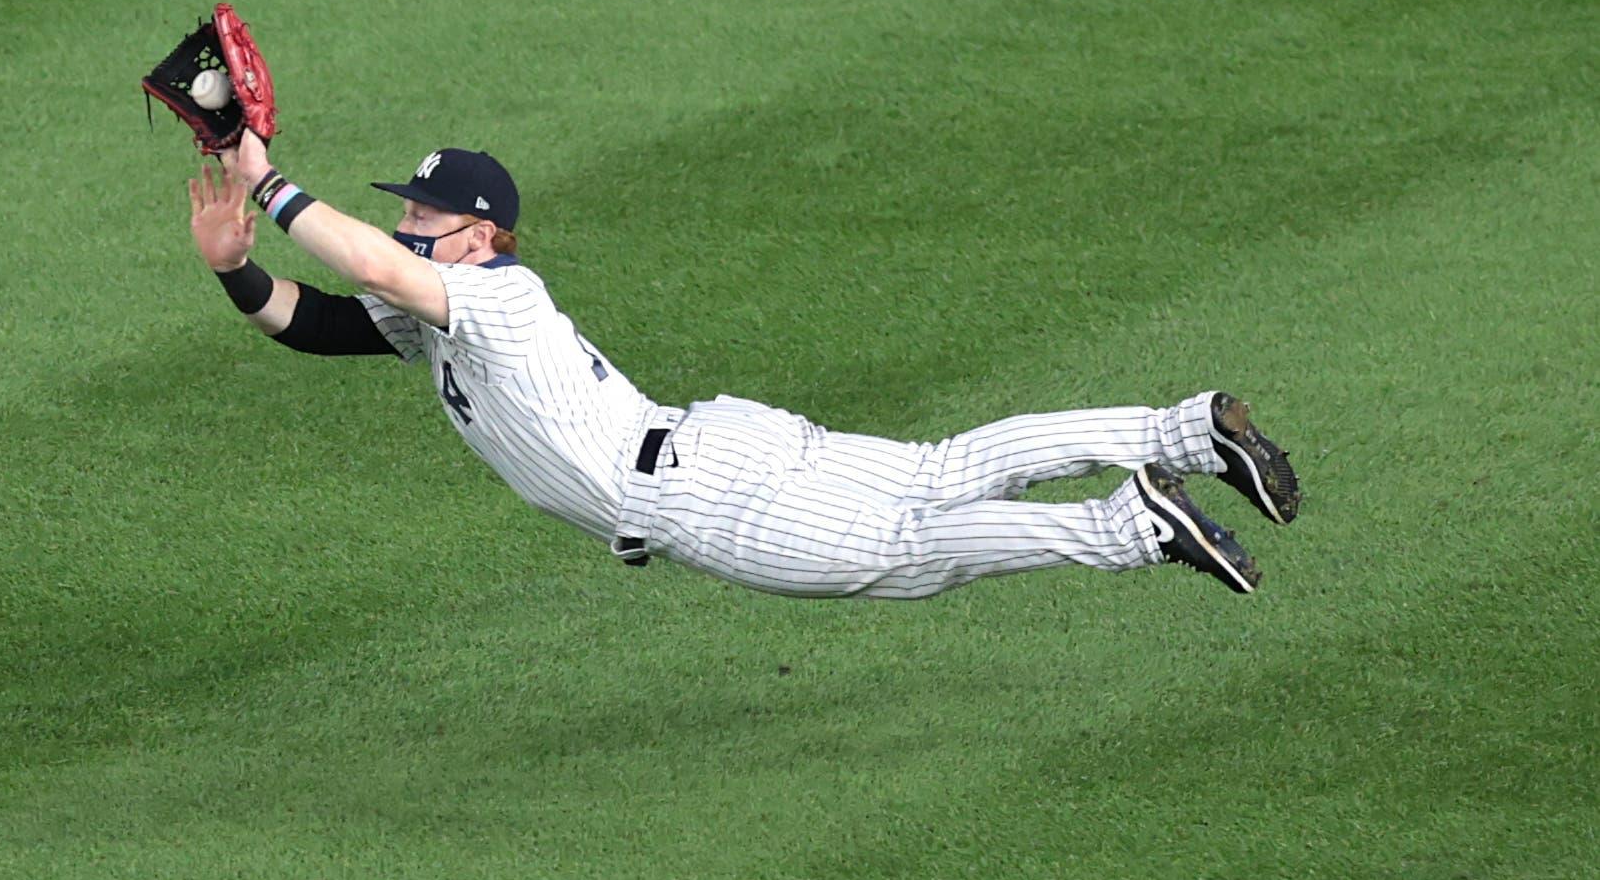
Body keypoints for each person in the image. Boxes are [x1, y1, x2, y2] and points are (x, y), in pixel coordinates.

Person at [187, 131, 1298, 598]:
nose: (410, 221)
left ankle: (1132, 524)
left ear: (479, 236)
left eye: (427, 210)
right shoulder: (431, 317)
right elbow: (326, 321)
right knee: (933, 470)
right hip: (719, 439)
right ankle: (1185, 431)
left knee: (907, 552)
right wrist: (237, 268)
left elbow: (371, 265)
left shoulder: (492, 298)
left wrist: (271, 179)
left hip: (681, 491)